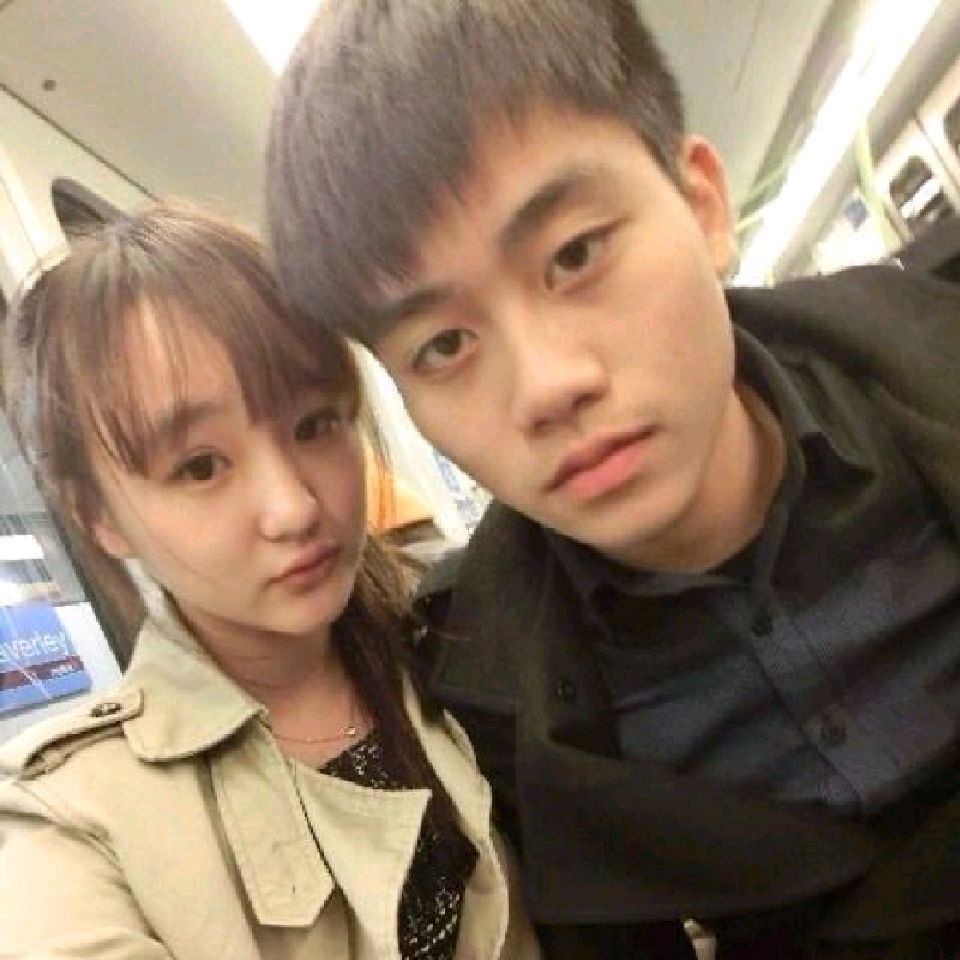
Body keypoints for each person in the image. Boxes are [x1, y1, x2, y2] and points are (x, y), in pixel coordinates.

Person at [264, 2, 960, 957]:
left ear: (701, 205)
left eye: (575, 255)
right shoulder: (479, 702)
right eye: (445, 345)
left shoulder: (934, 365)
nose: (547, 387)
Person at [0, 206, 540, 960]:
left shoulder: (463, 633)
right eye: (200, 467)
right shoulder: (73, 824)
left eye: (315, 425)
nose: (294, 508)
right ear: (98, 518)